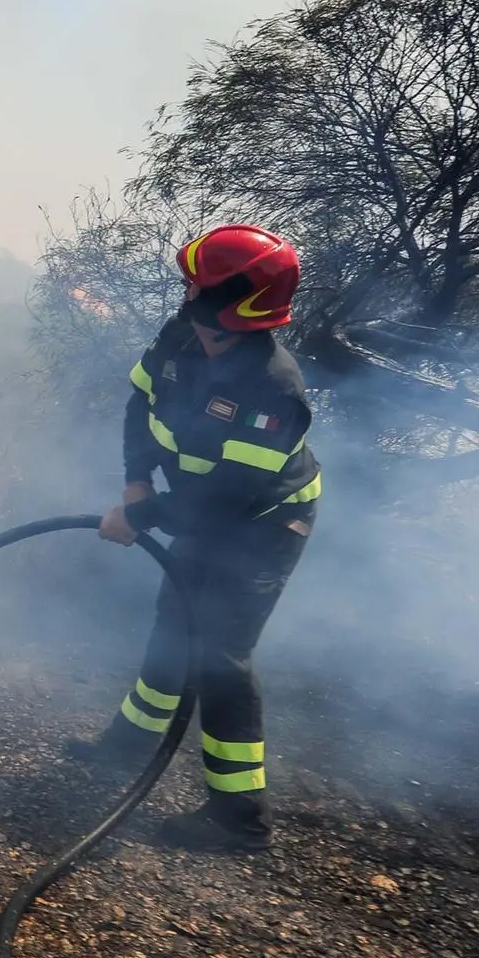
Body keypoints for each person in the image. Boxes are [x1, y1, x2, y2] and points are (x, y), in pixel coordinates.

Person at [75, 224, 322, 853]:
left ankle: (239, 819)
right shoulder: (181, 335)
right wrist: (135, 483)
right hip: (198, 505)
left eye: (199, 285)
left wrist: (143, 515)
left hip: (265, 525)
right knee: (173, 624)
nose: (187, 294)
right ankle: (127, 748)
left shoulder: (273, 389)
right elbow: (141, 400)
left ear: (234, 300)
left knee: (221, 655)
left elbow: (227, 499)